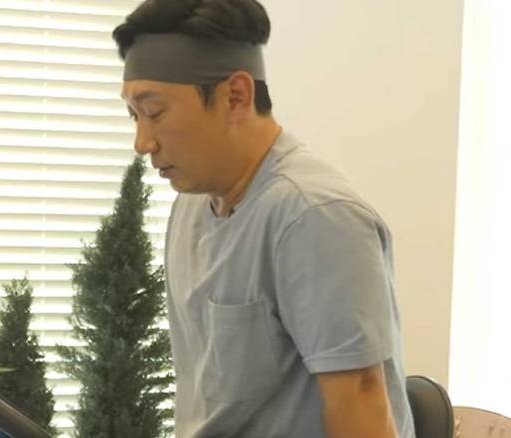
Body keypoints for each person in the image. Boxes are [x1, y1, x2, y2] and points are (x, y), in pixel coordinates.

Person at [113, 1, 415, 437]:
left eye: (155, 112)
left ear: (236, 96)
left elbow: (362, 402)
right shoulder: (191, 205)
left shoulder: (313, 217)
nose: (142, 142)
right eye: (134, 116)